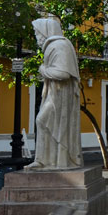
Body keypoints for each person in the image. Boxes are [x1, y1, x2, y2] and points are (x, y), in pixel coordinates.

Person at [27, 18, 83, 170]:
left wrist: (43, 70)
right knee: (45, 123)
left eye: (38, 34)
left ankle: (56, 161)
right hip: (55, 92)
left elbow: (63, 73)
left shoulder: (59, 46)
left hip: (61, 95)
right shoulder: (55, 46)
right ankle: (45, 160)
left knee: (41, 120)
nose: (37, 38)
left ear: (46, 32)